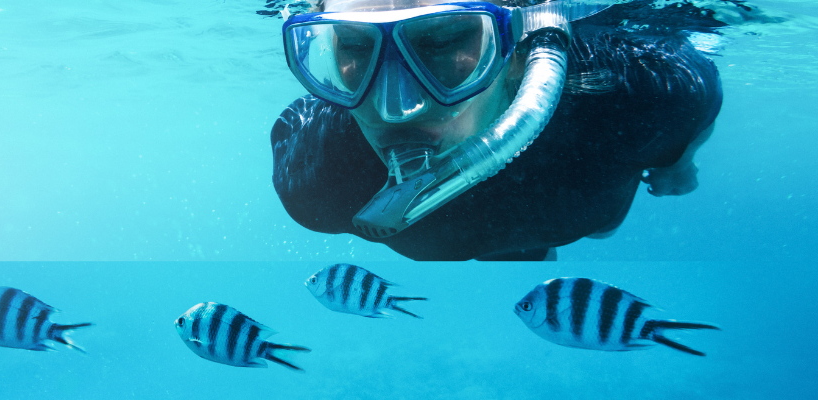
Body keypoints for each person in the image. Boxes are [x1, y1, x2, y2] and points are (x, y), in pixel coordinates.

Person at [270, 0, 724, 261]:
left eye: (444, 39)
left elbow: (697, 94)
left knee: (599, 230)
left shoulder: (641, 95)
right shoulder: (315, 181)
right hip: (509, 236)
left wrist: (682, 159)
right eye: (352, 44)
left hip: (582, 216)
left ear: (521, 50)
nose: (396, 109)